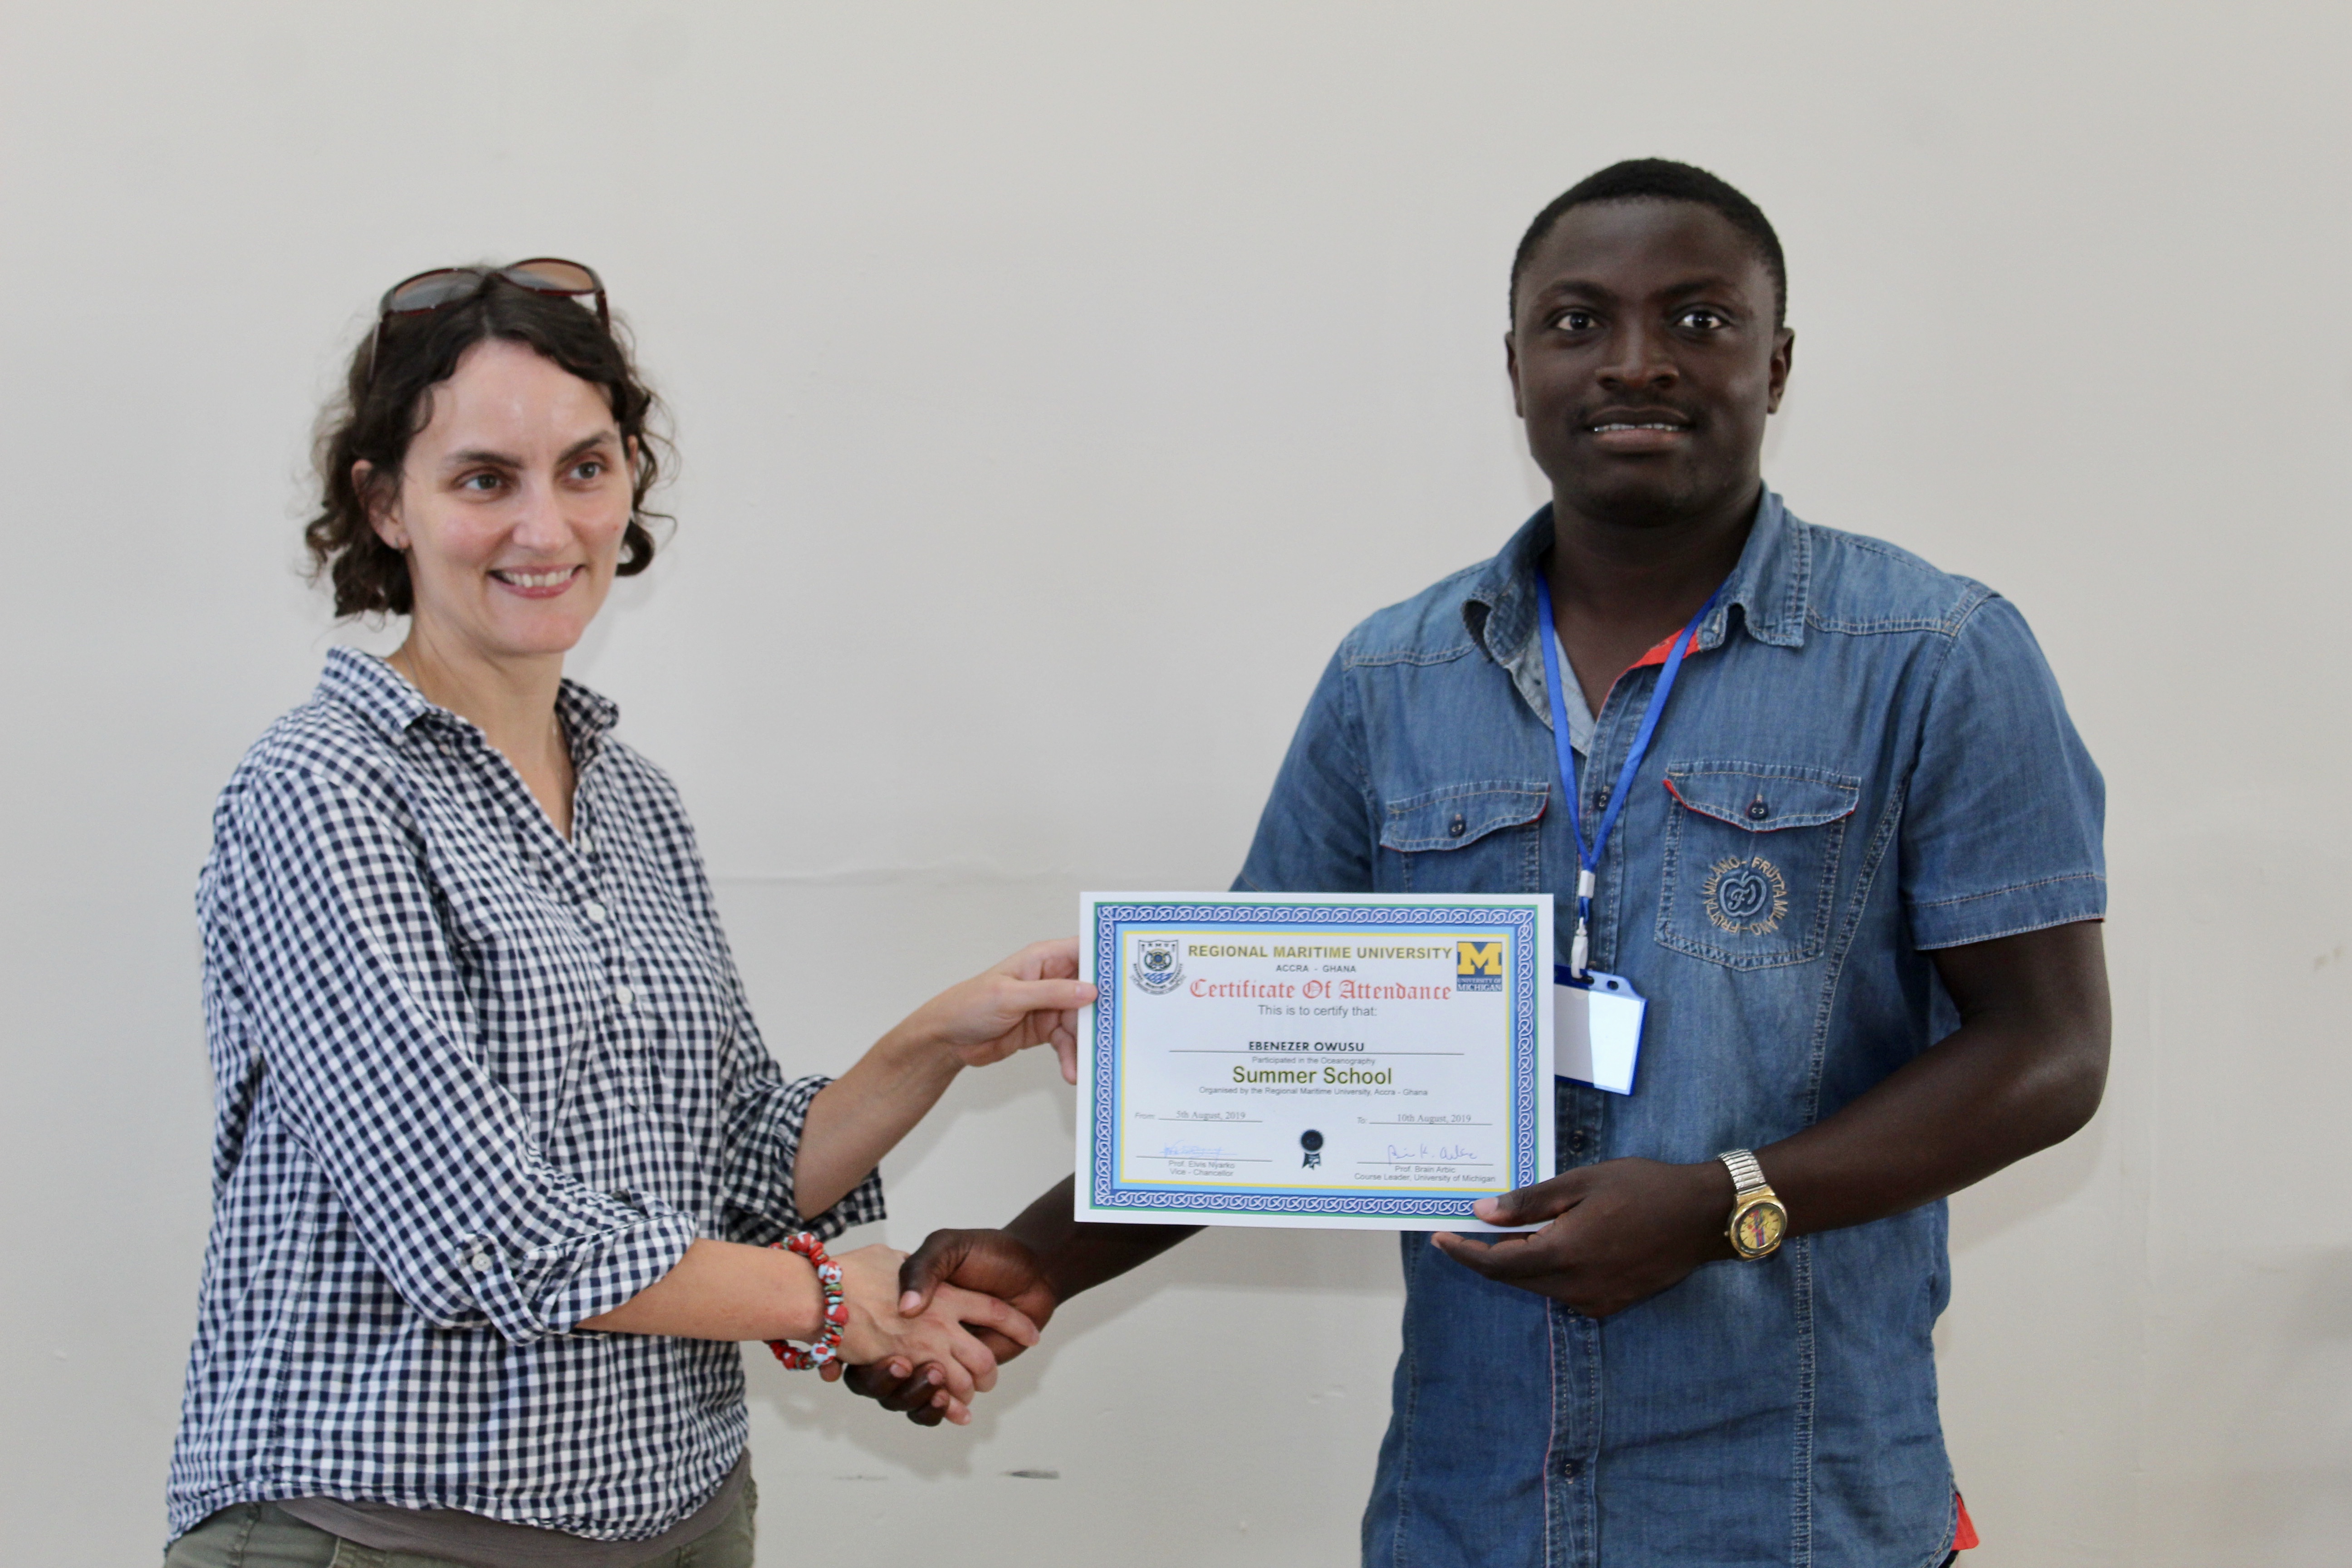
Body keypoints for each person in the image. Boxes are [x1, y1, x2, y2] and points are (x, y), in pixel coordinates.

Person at [847, 162, 2111, 1567]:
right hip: (1470, 1507)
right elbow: (1255, 1067)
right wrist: (1039, 1259)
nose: (1636, 361)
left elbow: (2050, 1052)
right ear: (1515, 369)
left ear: (1778, 362)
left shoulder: (1938, 656)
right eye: (1578, 323)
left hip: (1799, 1508)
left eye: (1699, 320)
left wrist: (1726, 1205)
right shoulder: (1392, 677)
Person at [164, 261, 1093, 1567]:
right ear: (383, 504)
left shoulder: (635, 798)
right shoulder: (321, 790)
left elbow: (737, 1171)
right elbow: (480, 1231)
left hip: (683, 1522)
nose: (546, 528)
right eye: (485, 480)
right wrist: (838, 1303)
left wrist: (938, 1041)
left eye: (585, 470)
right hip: (383, 1533)